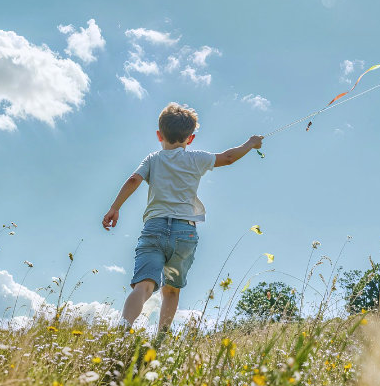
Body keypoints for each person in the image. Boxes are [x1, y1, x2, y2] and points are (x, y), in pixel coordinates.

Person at [102, 102, 263, 335]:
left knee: (144, 285)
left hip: (154, 228)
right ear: (190, 139)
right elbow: (228, 158)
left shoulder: (153, 159)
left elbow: (133, 180)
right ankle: (161, 340)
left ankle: (122, 330)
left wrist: (114, 208)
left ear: (159, 135)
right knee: (172, 290)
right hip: (185, 233)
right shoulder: (196, 158)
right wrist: (251, 143)